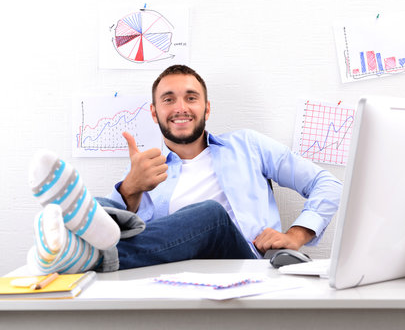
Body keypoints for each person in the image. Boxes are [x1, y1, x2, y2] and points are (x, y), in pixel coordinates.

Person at [26, 65, 342, 274]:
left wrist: (298, 234)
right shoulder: (148, 168)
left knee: (209, 215)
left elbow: (326, 183)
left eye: (191, 98)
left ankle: (93, 255)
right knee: (107, 205)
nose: (180, 108)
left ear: (206, 108)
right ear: (154, 112)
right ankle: (67, 245)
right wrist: (130, 189)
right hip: (179, 276)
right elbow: (140, 234)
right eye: (168, 99)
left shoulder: (249, 146)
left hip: (249, 266)